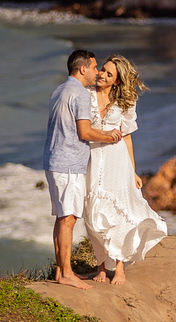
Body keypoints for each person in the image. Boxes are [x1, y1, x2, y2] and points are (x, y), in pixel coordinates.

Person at [84, 54, 167, 284]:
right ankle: (100, 267)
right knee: (91, 211)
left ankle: (119, 266)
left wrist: (133, 170)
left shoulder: (125, 103)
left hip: (116, 160)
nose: (101, 74)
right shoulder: (86, 95)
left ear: (117, 81)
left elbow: (127, 138)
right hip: (91, 158)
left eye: (109, 74)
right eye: (102, 69)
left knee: (117, 209)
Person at [43, 50, 122, 290]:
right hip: (69, 164)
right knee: (68, 219)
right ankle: (66, 273)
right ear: (82, 69)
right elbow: (84, 132)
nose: (98, 72)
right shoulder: (80, 94)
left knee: (61, 218)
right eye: (95, 67)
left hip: (53, 161)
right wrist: (109, 136)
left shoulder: (59, 90)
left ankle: (60, 270)